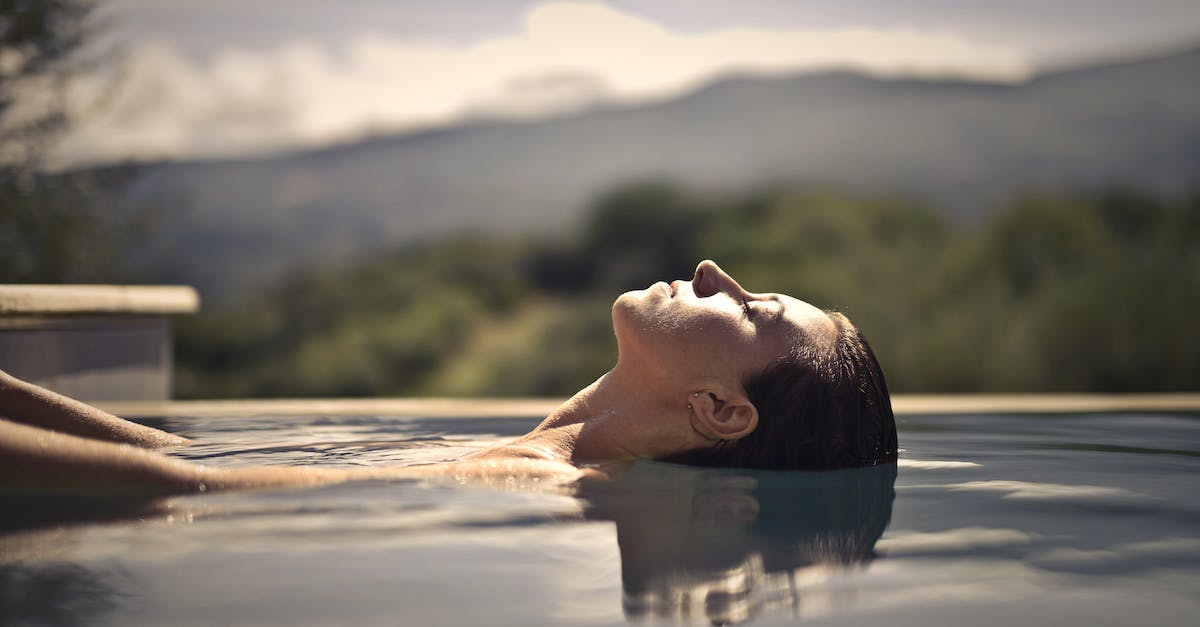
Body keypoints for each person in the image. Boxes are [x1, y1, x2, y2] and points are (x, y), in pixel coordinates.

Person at [0, 260, 896, 493]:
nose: (712, 273)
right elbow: (169, 446)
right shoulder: (537, 449)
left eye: (751, 310)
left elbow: (181, 488)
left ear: (719, 410)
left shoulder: (527, 476)